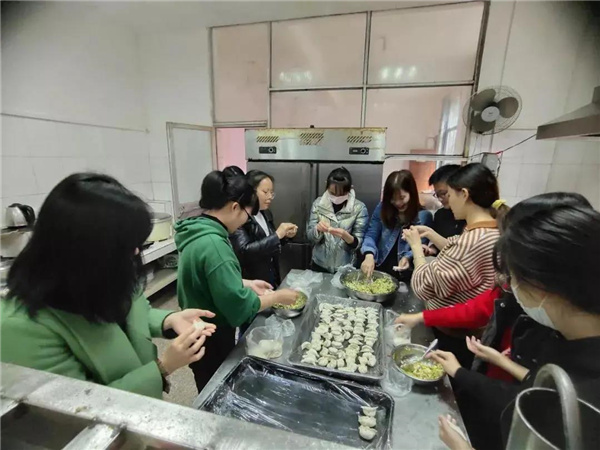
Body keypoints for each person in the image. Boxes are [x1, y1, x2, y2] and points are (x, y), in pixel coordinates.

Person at [1, 173, 215, 399]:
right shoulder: (23, 327)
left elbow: (133, 312)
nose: (135, 252)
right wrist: (163, 367)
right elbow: (78, 405)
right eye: (126, 245)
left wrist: (169, 320)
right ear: (85, 250)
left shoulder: (104, 276)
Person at [428, 200, 600, 450]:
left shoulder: (584, 393)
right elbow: (534, 389)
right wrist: (496, 362)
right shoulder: (564, 341)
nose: (509, 286)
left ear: (542, 285)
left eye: (514, 278)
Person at [396, 192, 593, 384]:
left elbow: (540, 395)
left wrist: (462, 375)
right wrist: (499, 361)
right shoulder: (528, 301)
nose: (510, 282)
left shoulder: (579, 351)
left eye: (515, 275)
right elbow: (479, 309)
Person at [175, 167, 299, 391]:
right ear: (234, 207)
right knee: (214, 390)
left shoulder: (198, 230)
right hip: (211, 334)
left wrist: (244, 283)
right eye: (246, 215)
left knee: (207, 383)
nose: (244, 222)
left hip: (197, 327)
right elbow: (239, 307)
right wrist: (277, 297)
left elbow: (208, 278)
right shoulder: (215, 246)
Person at [402, 163, 508, 368]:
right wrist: (431, 234)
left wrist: (415, 248)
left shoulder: (472, 241)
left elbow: (423, 286)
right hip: (470, 328)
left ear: (464, 194)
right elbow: (456, 249)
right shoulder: (492, 228)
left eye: (449, 194)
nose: (447, 201)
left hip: (455, 334)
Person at [360, 170, 433, 279]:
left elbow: (420, 248)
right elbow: (371, 235)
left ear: (411, 193)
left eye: (402, 197)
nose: (398, 203)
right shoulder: (382, 208)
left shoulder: (424, 216)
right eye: (393, 199)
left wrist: (407, 257)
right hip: (379, 269)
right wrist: (369, 255)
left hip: (405, 275)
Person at [230, 170, 297, 287]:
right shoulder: (240, 216)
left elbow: (269, 242)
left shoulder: (265, 213)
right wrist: (277, 235)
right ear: (251, 192)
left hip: (270, 274)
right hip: (251, 281)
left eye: (272, 193)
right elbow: (244, 251)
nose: (270, 197)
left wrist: (284, 236)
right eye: (265, 192)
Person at [307, 167, 369, 273]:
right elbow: (310, 237)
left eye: (341, 194)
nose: (336, 197)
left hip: (346, 267)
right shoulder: (318, 204)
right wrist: (317, 229)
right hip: (319, 264)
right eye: (332, 193)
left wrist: (346, 236)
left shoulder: (359, 208)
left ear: (350, 189)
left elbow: (359, 244)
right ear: (326, 185)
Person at [427, 165, 466, 254]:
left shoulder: (472, 219)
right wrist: (431, 249)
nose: (440, 199)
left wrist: (428, 233)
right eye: (437, 195)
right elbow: (441, 245)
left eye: (443, 193)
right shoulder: (440, 215)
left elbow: (459, 252)